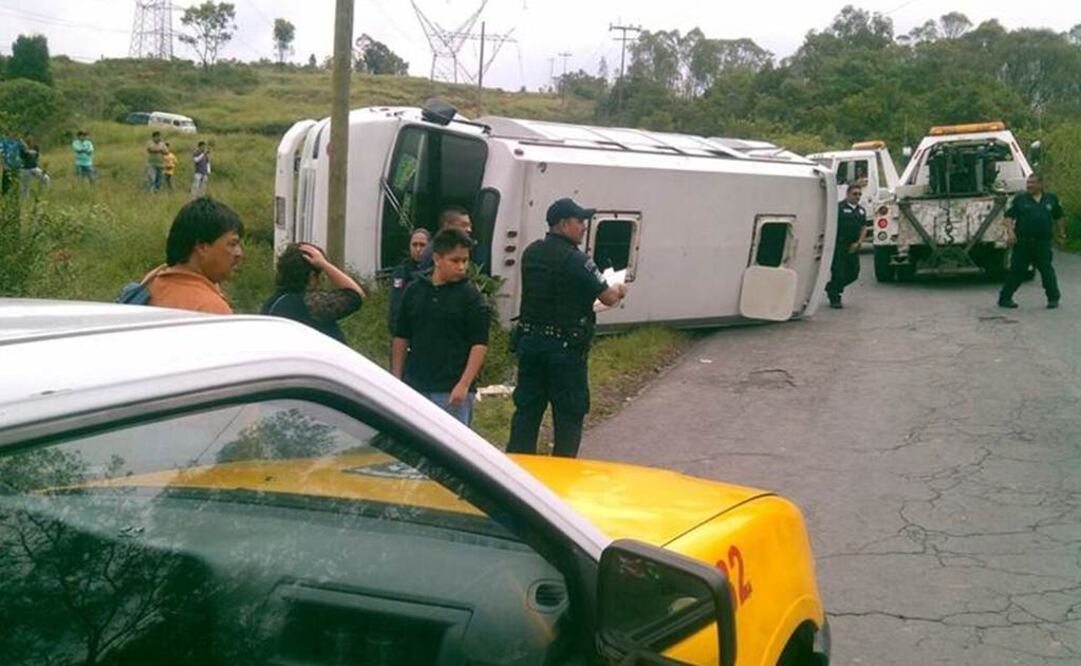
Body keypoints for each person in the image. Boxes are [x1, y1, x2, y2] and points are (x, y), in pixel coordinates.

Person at [506, 197, 627, 458]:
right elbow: (607, 298)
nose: (584, 227)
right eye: (579, 221)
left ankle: (516, 472)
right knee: (569, 415)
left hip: (530, 345)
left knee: (527, 411)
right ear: (562, 224)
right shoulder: (578, 260)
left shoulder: (531, 252)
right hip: (564, 351)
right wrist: (619, 288)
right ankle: (562, 476)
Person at [392, 228, 489, 425]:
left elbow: (479, 344)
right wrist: (396, 379)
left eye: (465, 260)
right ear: (437, 259)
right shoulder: (415, 290)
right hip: (416, 385)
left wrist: (464, 384)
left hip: (451, 390)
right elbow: (401, 336)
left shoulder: (471, 296)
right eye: (455, 260)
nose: (461, 267)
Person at [139, 196, 244, 314]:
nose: (239, 253)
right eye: (232, 244)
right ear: (202, 247)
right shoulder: (210, 308)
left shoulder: (150, 284)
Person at [263, 243, 365, 343]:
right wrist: (324, 264)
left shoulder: (272, 303)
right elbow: (356, 295)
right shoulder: (311, 304)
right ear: (312, 276)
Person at [998, 174, 1064, 309]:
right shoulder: (1021, 199)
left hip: (1042, 243)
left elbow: (1059, 216)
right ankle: (1005, 298)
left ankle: (1053, 298)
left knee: (1046, 271)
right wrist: (1010, 232)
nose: (1029, 185)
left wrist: (1061, 234)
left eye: (1032, 183)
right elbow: (1008, 217)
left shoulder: (1050, 199)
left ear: (1041, 184)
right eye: (1028, 183)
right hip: (1023, 242)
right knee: (1017, 271)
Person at [825, 183, 867, 309]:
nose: (857, 196)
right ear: (848, 194)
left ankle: (831, 287)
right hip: (839, 244)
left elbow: (864, 227)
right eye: (855, 194)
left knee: (854, 273)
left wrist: (859, 242)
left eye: (859, 194)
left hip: (853, 245)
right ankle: (835, 298)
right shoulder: (839, 208)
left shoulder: (861, 210)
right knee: (838, 272)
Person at [388, 227, 430, 335]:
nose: (418, 249)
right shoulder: (402, 271)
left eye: (422, 245)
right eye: (414, 245)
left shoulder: (436, 270)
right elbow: (396, 303)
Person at [417, 205, 472, 272]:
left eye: (470, 226)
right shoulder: (435, 249)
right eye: (464, 225)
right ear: (447, 225)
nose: (469, 230)